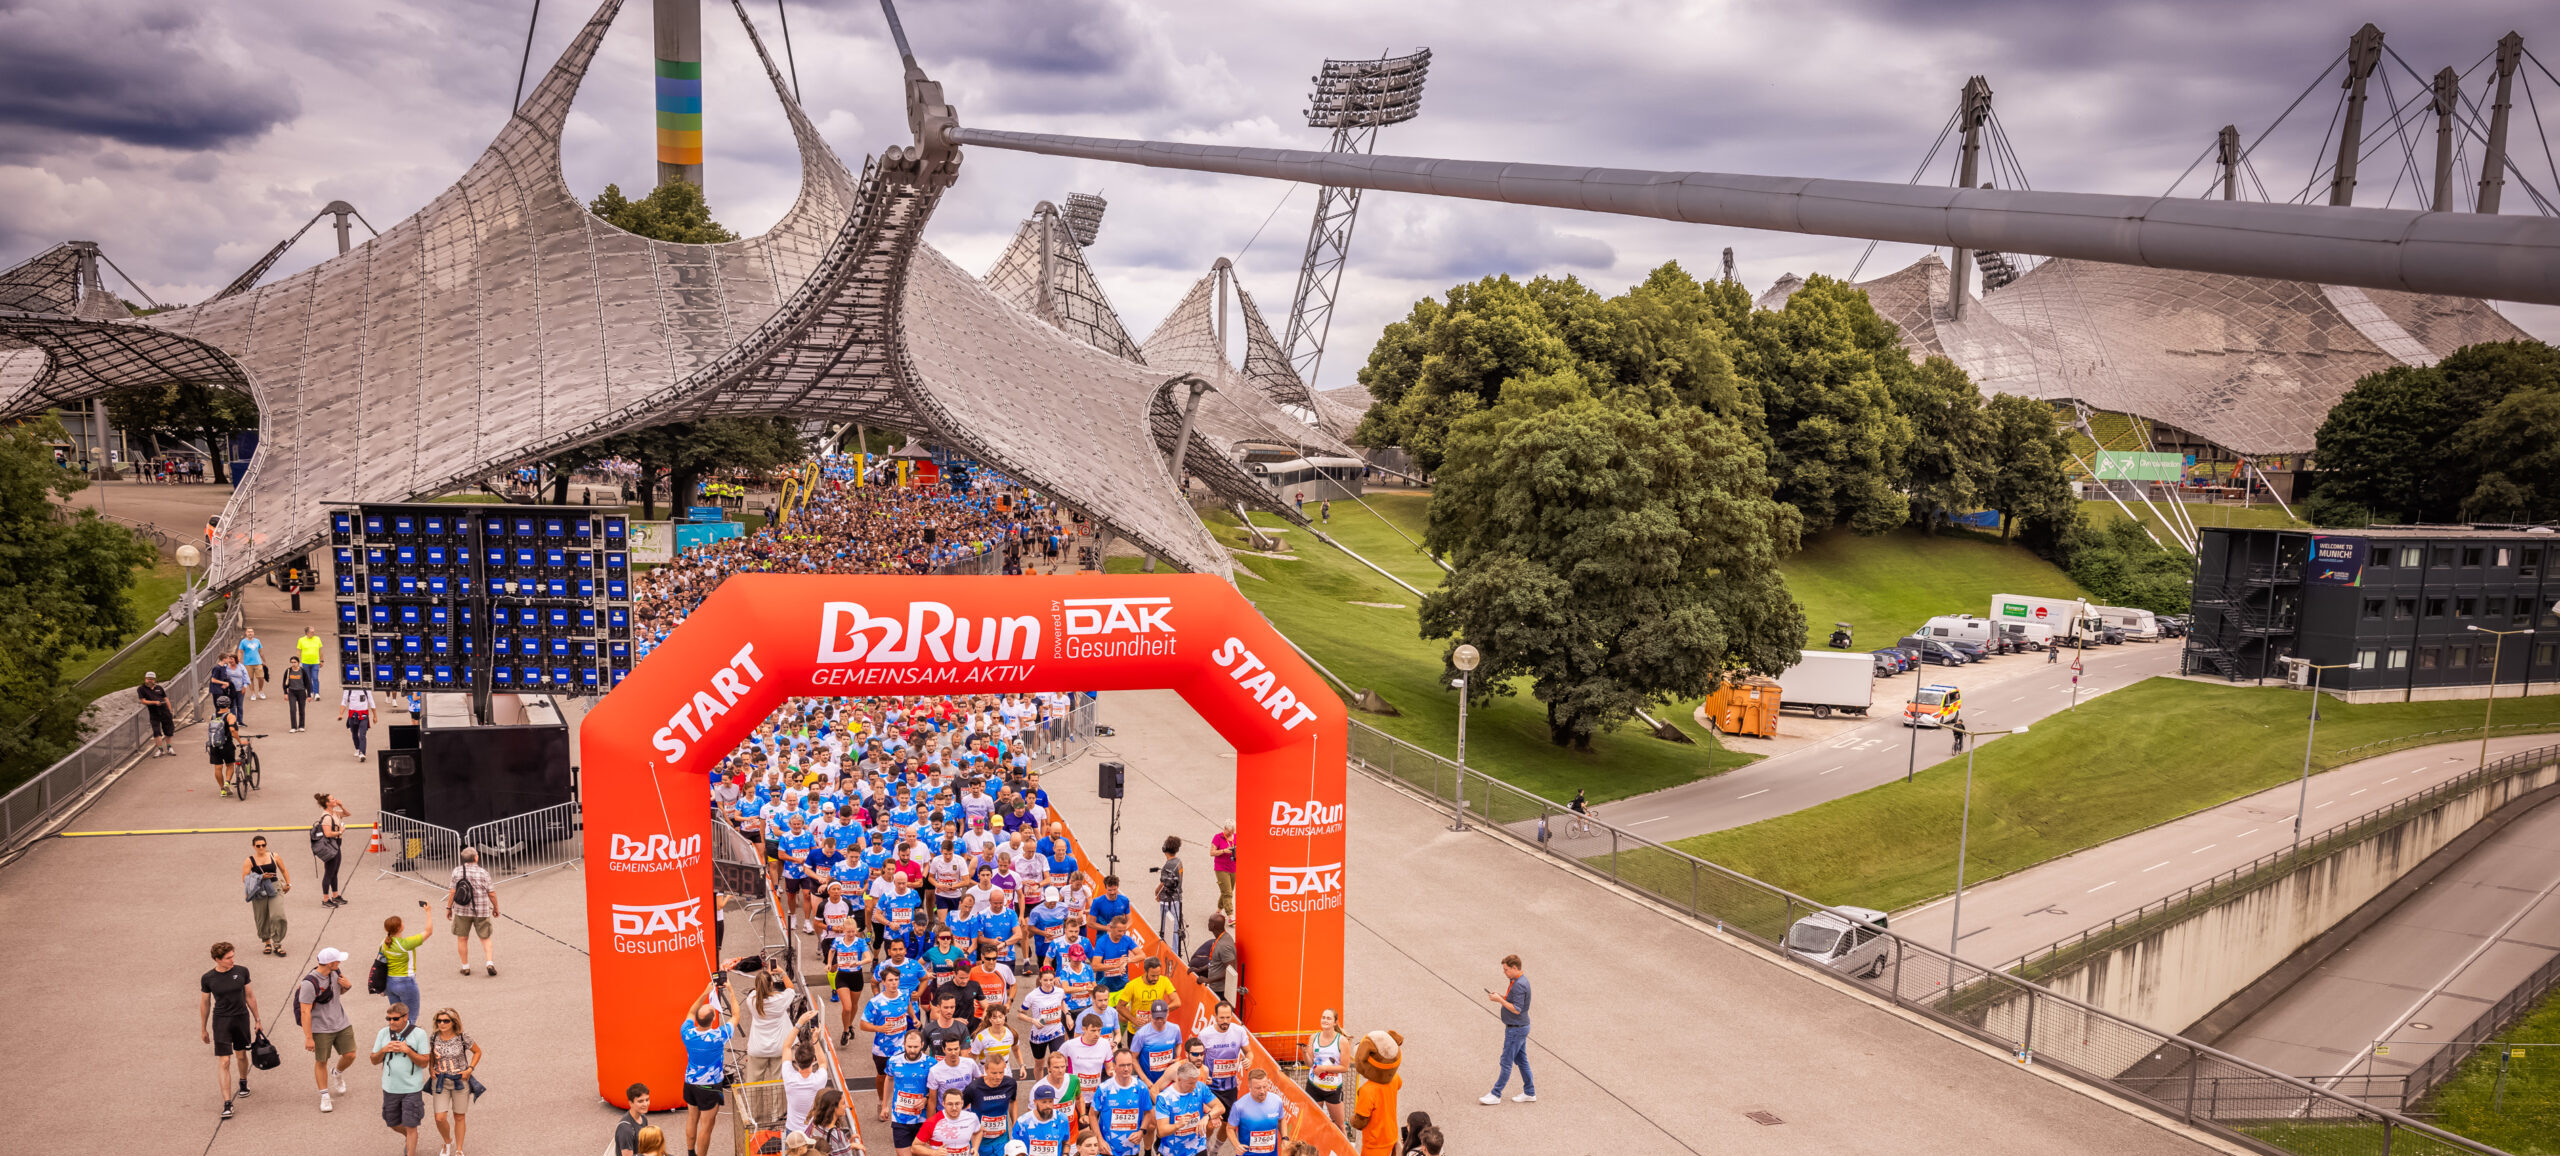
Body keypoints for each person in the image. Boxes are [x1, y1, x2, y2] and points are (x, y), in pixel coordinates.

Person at [200, 941, 263, 1118]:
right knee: (224, 1062)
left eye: (233, 956)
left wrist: (258, 1019)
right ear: (217, 959)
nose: (232, 960)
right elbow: (205, 1003)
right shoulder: (208, 978)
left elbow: (249, 996)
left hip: (241, 1018)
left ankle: (243, 1081)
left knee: (241, 1055)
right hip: (221, 1021)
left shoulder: (242, 971)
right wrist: (203, 1028)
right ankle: (227, 1103)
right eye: (228, 958)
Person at [681, 977, 735, 1156]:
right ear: (713, 1021)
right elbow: (736, 1016)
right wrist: (731, 991)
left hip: (690, 1082)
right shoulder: (718, 1035)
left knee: (692, 1118)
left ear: (697, 1020)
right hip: (709, 1086)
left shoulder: (687, 1033)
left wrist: (705, 992)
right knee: (707, 1126)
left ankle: (690, 1152)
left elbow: (690, 1012)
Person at [299, 947, 357, 1113]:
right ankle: (325, 1096)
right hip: (321, 1028)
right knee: (321, 1061)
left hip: (341, 1022)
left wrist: (347, 986)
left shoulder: (335, 973)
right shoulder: (309, 983)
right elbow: (305, 1011)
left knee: (350, 1054)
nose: (340, 962)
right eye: (338, 960)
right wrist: (308, 1037)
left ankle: (337, 1073)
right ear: (330, 963)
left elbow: (336, 995)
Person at [372, 1000, 432, 1155]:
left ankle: (411, 1145)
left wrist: (408, 1051)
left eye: (395, 1019)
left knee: (411, 1125)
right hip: (390, 1087)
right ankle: (410, 1138)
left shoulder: (419, 1034)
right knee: (392, 1122)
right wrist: (384, 1050)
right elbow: (373, 1060)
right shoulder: (383, 1033)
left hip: (412, 1088)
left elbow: (424, 1062)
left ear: (406, 1017)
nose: (391, 1022)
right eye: (388, 1019)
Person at [1480, 953, 1535, 1104]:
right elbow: (1514, 1002)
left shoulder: (1519, 985)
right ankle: (1530, 1092)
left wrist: (1499, 1000)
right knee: (1521, 1060)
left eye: (1506, 970)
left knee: (1506, 1061)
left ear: (1514, 967)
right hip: (1520, 1027)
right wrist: (1502, 997)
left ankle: (1496, 1094)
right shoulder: (1517, 980)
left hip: (1516, 1029)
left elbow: (1517, 1009)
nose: (1504, 972)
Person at [426, 1006, 481, 1156]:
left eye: (445, 1021)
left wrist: (470, 1069)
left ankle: (459, 1149)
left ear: (453, 1022)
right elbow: (431, 1055)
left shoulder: (462, 1037)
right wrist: (431, 1068)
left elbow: (477, 1052)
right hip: (440, 1082)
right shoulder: (433, 1037)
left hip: (460, 1081)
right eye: (439, 1021)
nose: (441, 1024)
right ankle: (447, 1142)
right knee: (439, 1118)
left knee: (459, 1116)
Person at [1092, 1049, 1154, 1156]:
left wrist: (1141, 1131)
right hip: (1108, 1149)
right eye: (1122, 1065)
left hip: (1131, 1149)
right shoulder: (1104, 1088)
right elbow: (1092, 1115)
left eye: (1129, 1065)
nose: (1126, 1069)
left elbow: (1148, 1112)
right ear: (1114, 1066)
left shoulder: (1141, 1088)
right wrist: (1099, 1140)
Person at [1151, 1063, 1219, 1156]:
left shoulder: (1200, 1087)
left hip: (1198, 1146)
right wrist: (1178, 1125)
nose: (1195, 1086)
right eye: (1191, 1083)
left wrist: (1207, 1117)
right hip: (1173, 1150)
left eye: (1195, 1082)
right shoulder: (1164, 1098)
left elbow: (1220, 1107)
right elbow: (1162, 1131)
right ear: (1179, 1080)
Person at [886, 1029, 937, 1153]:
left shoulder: (931, 1063)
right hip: (900, 1118)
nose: (912, 1050)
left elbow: (936, 1090)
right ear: (904, 1044)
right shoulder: (893, 1061)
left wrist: (926, 1099)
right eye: (909, 1046)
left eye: (915, 1046)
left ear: (922, 1045)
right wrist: (884, 1106)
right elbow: (889, 1079)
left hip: (922, 1118)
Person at [1194, 1002, 1252, 1110]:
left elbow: (1249, 1052)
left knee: (1228, 1123)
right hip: (1210, 1087)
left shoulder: (1239, 1031)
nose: (1225, 1021)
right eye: (1221, 1018)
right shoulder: (1205, 1034)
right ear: (1215, 1017)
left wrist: (1248, 1060)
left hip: (1230, 1087)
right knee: (1211, 1123)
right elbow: (1197, 1058)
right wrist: (1202, 1075)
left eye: (1228, 1017)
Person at [242, 834, 291, 956]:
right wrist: (260, 877)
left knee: (278, 915)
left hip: (275, 887)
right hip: (259, 890)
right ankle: (267, 942)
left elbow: (284, 870)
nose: (261, 847)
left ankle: (277, 943)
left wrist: (289, 884)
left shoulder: (274, 856)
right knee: (261, 917)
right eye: (258, 845)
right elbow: (245, 878)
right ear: (254, 846)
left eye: (263, 845)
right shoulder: (249, 860)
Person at [962, 1056, 1018, 1156]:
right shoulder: (974, 1088)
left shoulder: (1010, 1084)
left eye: (1001, 1072)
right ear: (986, 1069)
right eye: (994, 1073)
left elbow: (1013, 1101)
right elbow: (960, 1109)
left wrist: (1014, 1122)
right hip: (979, 1143)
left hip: (1001, 1141)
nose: (998, 1077)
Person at [381, 912, 432, 1021]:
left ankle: (396, 1036)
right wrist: (428, 912)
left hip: (390, 983)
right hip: (406, 983)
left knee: (395, 1017)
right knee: (410, 1018)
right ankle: (406, 1037)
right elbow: (428, 931)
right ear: (400, 928)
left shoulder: (384, 943)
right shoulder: (406, 944)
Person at [1225, 1068, 1288, 1156]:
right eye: (1258, 1088)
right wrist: (1237, 1145)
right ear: (1250, 1087)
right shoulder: (1239, 1106)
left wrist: (1285, 1138)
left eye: (1265, 1086)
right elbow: (1230, 1128)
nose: (1262, 1091)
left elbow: (1281, 1120)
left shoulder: (1277, 1101)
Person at [1302, 1008, 1347, 1130]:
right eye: (1323, 1017)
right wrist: (1305, 1053)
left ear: (1335, 1022)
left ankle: (1344, 1149)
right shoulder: (1313, 1038)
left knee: (1339, 1125)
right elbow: (1310, 1064)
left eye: (1328, 1018)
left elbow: (1345, 1067)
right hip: (1314, 1086)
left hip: (1332, 1089)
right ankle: (1315, 1148)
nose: (1325, 1020)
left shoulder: (1342, 1041)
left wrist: (1324, 1068)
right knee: (1313, 1123)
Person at [783, 1036, 832, 1134]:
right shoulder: (818, 1080)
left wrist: (800, 1023)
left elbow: (786, 1047)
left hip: (792, 1130)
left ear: (796, 1060)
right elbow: (823, 1062)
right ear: (813, 1060)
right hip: (813, 1130)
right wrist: (815, 1039)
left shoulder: (789, 1078)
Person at [1128, 1000, 1182, 1087]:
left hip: (1169, 1082)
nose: (1159, 1020)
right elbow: (1133, 1058)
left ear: (1168, 1013)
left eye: (1162, 1017)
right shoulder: (1141, 1034)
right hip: (1149, 1083)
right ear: (1150, 1014)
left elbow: (1178, 1044)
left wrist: (1178, 1057)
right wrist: (1144, 1079)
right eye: (1156, 1017)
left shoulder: (1175, 1029)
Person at [1013, 1082, 1073, 1156]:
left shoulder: (1062, 1119)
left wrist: (1065, 1154)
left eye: (1050, 1101)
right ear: (1035, 1102)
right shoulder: (1022, 1122)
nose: (1048, 1106)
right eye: (1043, 1102)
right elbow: (1014, 1148)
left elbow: (1066, 1141)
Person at [918, 1087, 982, 1156]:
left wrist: (975, 1148)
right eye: (950, 1104)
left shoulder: (972, 1118)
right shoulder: (932, 1122)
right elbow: (915, 1147)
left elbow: (978, 1131)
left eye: (957, 1104)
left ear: (962, 1103)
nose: (954, 1108)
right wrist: (933, 1153)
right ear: (943, 1104)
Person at [312, 793, 350, 907]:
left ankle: (335, 896)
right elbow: (327, 833)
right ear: (327, 803)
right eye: (332, 799)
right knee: (329, 872)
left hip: (337, 844)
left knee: (335, 871)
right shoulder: (327, 817)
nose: (335, 800)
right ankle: (325, 899)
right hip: (330, 845)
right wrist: (340, 832)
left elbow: (347, 814)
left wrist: (341, 806)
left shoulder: (334, 813)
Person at [1189, 913, 1235, 1005]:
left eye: (1209, 921)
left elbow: (1230, 971)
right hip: (1215, 987)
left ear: (1212, 925)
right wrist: (1200, 969)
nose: (1207, 923)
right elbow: (1214, 962)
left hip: (1221, 992)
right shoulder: (1219, 939)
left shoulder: (1224, 945)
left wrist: (1208, 980)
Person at [1152, 837, 1185, 958]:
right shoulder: (1178, 861)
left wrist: (1157, 892)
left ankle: (1172, 955)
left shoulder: (1168, 866)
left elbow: (1164, 883)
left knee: (1170, 931)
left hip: (1168, 902)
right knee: (1175, 928)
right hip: (1177, 900)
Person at [805, 1086, 859, 1156]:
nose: (846, 1106)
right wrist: (848, 1146)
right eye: (843, 1103)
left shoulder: (816, 1126)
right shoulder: (837, 1134)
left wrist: (846, 1145)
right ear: (834, 1108)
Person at [207, 699, 240, 797]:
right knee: (230, 765)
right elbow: (232, 730)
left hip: (214, 745)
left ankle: (222, 790)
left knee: (218, 767)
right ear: (229, 705)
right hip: (226, 745)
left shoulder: (212, 716)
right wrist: (239, 741)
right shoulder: (230, 716)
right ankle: (227, 782)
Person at [138, 672, 176, 757]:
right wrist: (154, 702)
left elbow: (166, 699)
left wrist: (170, 711)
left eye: (151, 679)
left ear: (154, 680)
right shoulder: (141, 689)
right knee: (156, 731)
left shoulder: (159, 688)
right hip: (154, 713)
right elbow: (143, 701)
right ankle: (160, 749)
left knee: (168, 730)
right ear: (145, 679)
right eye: (148, 679)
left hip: (164, 711)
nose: (149, 681)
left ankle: (169, 747)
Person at [613, 1084, 654, 1156]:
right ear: (631, 1103)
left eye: (647, 1100)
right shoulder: (626, 1129)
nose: (645, 1104)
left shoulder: (643, 1118)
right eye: (640, 1101)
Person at [341, 683, 377, 760]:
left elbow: (371, 701)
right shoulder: (348, 689)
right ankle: (357, 748)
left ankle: (362, 753)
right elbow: (344, 702)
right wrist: (341, 714)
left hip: (363, 715)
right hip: (352, 715)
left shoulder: (366, 689)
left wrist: (375, 716)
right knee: (354, 733)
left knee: (362, 734)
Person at [1209, 825, 1236, 915]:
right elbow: (1212, 852)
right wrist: (1224, 851)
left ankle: (1219, 909)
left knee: (1227, 890)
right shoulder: (1218, 837)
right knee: (1228, 893)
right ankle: (1230, 915)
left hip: (1233, 868)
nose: (1231, 834)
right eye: (1229, 832)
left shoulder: (1236, 837)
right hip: (1221, 869)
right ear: (1224, 829)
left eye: (1232, 832)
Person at [282, 656, 311, 731]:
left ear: (298, 662)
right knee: (292, 709)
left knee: (302, 710)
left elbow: (307, 683)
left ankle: (301, 726)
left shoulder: (302, 671)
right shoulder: (288, 671)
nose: (293, 664)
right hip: (292, 692)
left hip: (301, 692)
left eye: (295, 662)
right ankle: (293, 727)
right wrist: (285, 693)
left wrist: (309, 695)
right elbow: (284, 683)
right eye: (292, 662)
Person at [240, 627, 268, 699]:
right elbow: (240, 651)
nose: (250, 633)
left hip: (258, 662)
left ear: (253, 633)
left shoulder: (257, 641)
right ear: (246, 633)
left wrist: (264, 660)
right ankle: (252, 693)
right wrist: (238, 660)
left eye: (251, 632)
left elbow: (260, 651)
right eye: (248, 632)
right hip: (248, 663)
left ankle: (260, 691)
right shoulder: (243, 642)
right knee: (250, 679)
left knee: (261, 677)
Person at [297, 626, 326, 692]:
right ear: (307, 633)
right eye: (312, 632)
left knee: (315, 678)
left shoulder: (317, 639)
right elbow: (299, 651)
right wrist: (298, 662)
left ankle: (317, 693)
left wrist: (321, 660)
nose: (314, 633)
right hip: (305, 662)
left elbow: (320, 651)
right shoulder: (301, 640)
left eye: (314, 631)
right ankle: (310, 691)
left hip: (315, 662)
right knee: (308, 678)